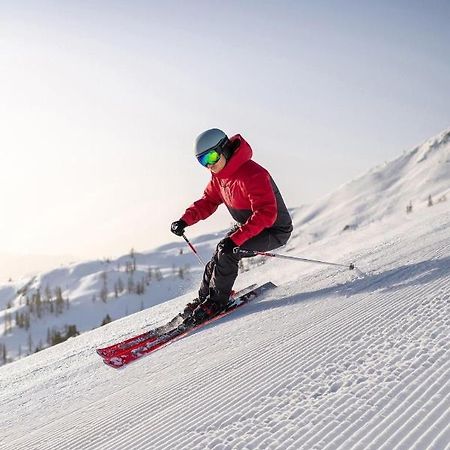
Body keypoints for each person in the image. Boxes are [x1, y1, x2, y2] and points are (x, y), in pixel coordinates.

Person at [171, 128, 293, 325]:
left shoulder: (253, 174)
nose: (209, 164)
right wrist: (185, 220)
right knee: (221, 250)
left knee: (229, 251)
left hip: (274, 230)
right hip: (250, 226)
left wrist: (235, 239)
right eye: (203, 161)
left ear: (225, 148)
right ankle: (205, 298)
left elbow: (266, 214)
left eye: (211, 156)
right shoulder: (219, 178)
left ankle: (216, 302)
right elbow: (208, 201)